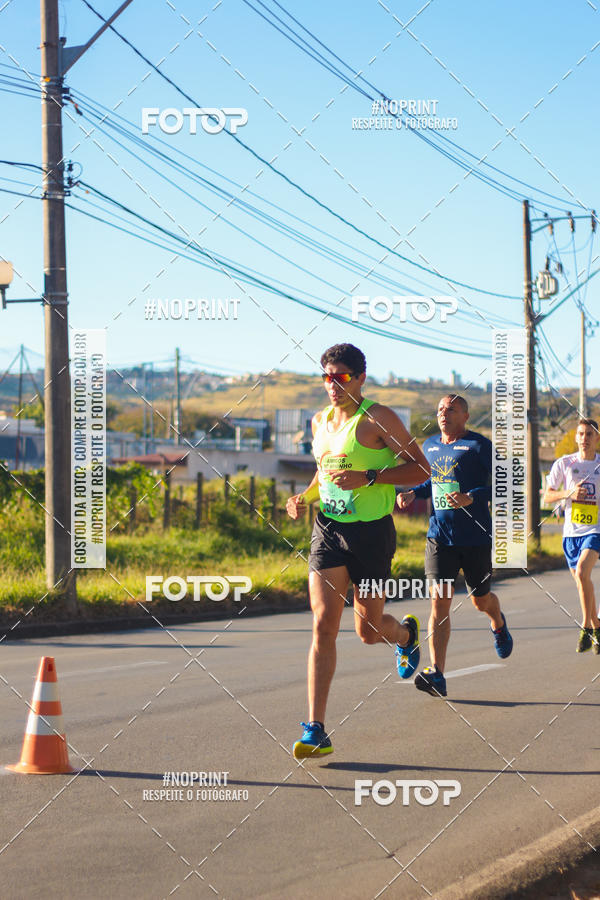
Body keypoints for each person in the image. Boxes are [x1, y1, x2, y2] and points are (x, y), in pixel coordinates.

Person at [286, 343, 430, 758]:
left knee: (367, 632)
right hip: (328, 529)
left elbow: (420, 468)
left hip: (370, 535)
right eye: (327, 377)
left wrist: (370, 475)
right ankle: (316, 729)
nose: (333, 385)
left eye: (342, 377)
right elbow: (324, 470)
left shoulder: (377, 418)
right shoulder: (319, 422)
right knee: (323, 625)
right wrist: (304, 496)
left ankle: (404, 636)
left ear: (361, 378)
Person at [397, 394, 513, 698]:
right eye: (440, 409)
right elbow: (431, 481)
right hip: (440, 537)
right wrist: (413, 493)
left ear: (466, 416)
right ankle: (437, 673)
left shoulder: (479, 446)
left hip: (474, 537)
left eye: (451, 409)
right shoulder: (430, 446)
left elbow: (503, 483)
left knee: (480, 601)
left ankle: (498, 622)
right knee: (440, 603)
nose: (443, 413)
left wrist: (472, 496)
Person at [543, 418, 600, 653]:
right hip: (570, 533)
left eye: (589, 434)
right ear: (576, 437)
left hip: (595, 530)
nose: (584, 438)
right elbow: (547, 496)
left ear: (596, 438)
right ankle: (596, 626)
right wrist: (570, 493)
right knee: (581, 582)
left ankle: (585, 626)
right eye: (581, 434)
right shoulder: (563, 464)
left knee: (583, 572)